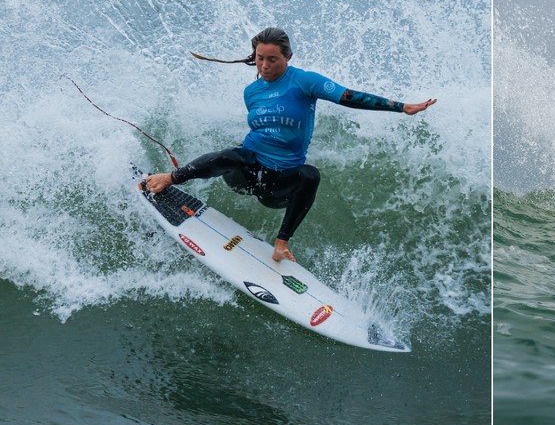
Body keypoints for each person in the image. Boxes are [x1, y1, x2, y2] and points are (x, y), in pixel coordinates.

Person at [144, 27, 436, 262]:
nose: (265, 65)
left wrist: (401, 107)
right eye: (260, 58)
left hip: (278, 184)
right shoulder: (252, 92)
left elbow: (350, 96)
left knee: (310, 175)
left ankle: (281, 243)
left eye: (273, 59)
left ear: (288, 57)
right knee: (230, 155)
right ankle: (170, 179)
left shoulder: (305, 82)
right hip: (246, 175)